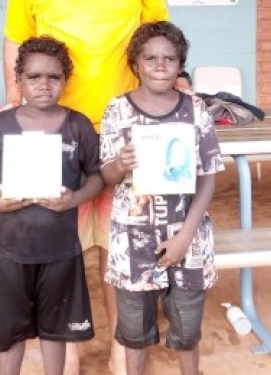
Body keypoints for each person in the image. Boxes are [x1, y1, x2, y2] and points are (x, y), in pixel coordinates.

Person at [3, 0, 168, 373]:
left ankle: (125, 359)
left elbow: (157, 35)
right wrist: (13, 107)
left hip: (127, 129)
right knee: (59, 257)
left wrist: (177, 86)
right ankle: (66, 363)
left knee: (122, 256)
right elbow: (16, 41)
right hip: (56, 133)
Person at [0, 36, 104, 375]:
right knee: (9, 332)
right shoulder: (1, 125)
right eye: (34, 77)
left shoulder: (78, 126)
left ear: (64, 80)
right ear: (19, 81)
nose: (44, 85)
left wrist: (74, 198)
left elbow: (97, 177)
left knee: (55, 329)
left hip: (60, 251)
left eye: (53, 77)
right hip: (9, 252)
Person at [99, 21, 223, 375]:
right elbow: (105, 175)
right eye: (150, 57)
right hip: (133, 237)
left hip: (187, 233)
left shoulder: (196, 109)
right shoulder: (118, 110)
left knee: (187, 324)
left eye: (169, 58)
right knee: (134, 327)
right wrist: (120, 164)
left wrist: (185, 236)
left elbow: (208, 177)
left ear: (180, 63)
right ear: (135, 63)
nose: (159, 65)